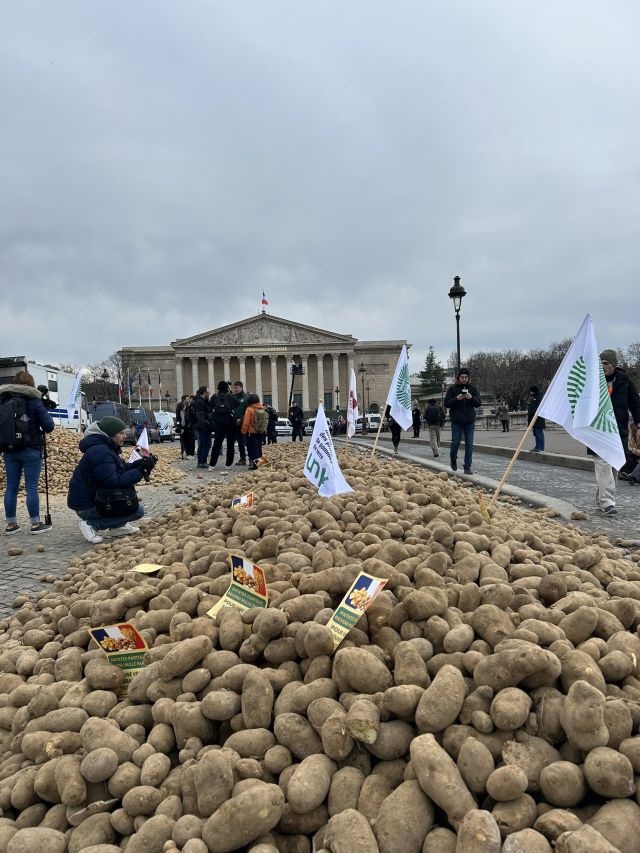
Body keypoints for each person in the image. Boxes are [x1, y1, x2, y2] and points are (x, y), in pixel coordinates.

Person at [67, 416, 154, 544]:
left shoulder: (106, 448)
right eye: (121, 433)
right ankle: (92, 524)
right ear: (110, 435)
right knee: (137, 510)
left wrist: (142, 464)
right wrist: (140, 472)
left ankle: (117, 526)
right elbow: (113, 481)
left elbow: (123, 468)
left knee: (130, 500)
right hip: (86, 506)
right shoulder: (101, 452)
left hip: (95, 498)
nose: (125, 436)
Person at [1, 371, 55, 535]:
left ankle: (11, 524)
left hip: (9, 449)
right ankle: (35, 523)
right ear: (31, 384)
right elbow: (49, 427)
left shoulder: (3, 399)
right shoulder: (34, 400)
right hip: (31, 449)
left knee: (11, 488)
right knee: (31, 487)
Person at [589, 350, 640, 514]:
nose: (603, 366)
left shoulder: (625, 381)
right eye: (600, 363)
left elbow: (635, 404)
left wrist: (639, 426)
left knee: (613, 466)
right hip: (597, 429)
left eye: (606, 363)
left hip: (618, 430)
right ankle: (607, 502)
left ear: (614, 365)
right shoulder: (592, 382)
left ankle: (601, 499)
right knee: (603, 463)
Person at [444, 368, 481, 474]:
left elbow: (478, 403)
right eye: (462, 377)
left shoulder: (473, 389)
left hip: (469, 421)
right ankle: (453, 458)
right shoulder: (452, 389)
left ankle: (467, 466)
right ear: (458, 378)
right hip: (457, 421)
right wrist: (457, 399)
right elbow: (446, 403)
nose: (464, 379)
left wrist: (471, 397)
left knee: (469, 444)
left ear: (468, 378)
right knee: (455, 443)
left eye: (466, 377)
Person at [209, 381, 238, 469]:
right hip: (230, 423)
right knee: (230, 445)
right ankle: (228, 464)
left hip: (218, 424)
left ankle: (212, 464)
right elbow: (237, 403)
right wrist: (231, 394)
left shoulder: (214, 397)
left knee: (217, 443)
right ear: (227, 388)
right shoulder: (230, 396)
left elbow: (211, 407)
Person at [241, 394, 269, 468]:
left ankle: (256, 465)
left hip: (251, 432)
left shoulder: (249, 409)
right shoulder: (261, 408)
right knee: (259, 448)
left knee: (254, 449)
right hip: (260, 431)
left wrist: (244, 432)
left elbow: (246, 422)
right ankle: (262, 465)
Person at [193, 386, 212, 469]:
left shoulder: (199, 401)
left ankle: (200, 462)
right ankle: (202, 462)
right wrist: (205, 426)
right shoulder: (200, 402)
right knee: (206, 444)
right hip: (203, 426)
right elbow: (200, 415)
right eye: (208, 393)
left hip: (201, 426)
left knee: (202, 444)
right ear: (204, 393)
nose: (209, 394)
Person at [232, 381, 248, 466]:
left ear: (241, 388)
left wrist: (241, 419)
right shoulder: (233, 397)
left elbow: (248, 411)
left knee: (247, 441)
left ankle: (252, 458)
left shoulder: (245, 398)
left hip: (244, 423)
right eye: (234, 388)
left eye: (236, 388)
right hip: (235, 424)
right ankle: (243, 458)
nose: (235, 389)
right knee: (240, 442)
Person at [528, 386, 546, 452]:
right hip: (534, 419)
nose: (530, 393)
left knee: (539, 433)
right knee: (536, 433)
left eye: (531, 391)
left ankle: (541, 447)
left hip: (538, 419)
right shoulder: (536, 397)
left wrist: (532, 412)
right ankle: (537, 447)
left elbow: (539, 407)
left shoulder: (539, 397)